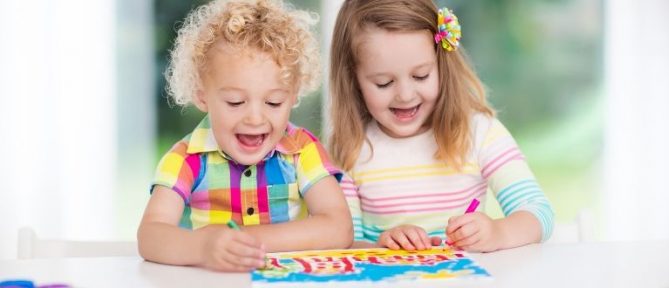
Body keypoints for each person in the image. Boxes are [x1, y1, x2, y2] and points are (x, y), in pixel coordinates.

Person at [138, 0, 352, 272]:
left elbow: (338, 227)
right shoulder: (185, 159)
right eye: (236, 102)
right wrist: (203, 247)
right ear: (202, 95)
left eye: (273, 102)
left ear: (294, 95)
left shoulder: (302, 150)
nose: (255, 118)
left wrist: (245, 242)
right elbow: (150, 237)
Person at [328, 0, 554, 252]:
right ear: (353, 79)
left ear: (441, 66)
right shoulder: (349, 148)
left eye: (421, 75)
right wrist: (379, 245)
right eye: (383, 82)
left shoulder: (479, 133)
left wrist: (497, 232)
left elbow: (538, 212)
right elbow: (342, 242)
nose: (405, 94)